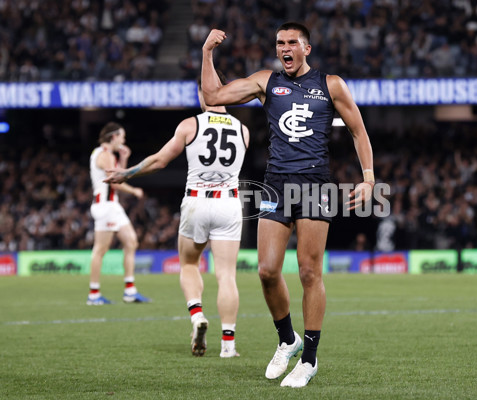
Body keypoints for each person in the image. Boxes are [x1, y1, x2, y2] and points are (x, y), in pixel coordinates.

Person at [201, 22, 375, 387]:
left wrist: (370, 177)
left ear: (306, 48)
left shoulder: (331, 84)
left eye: (292, 42)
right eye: (280, 43)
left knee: (310, 273)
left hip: (314, 185)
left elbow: (358, 130)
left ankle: (309, 359)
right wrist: (207, 53)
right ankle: (287, 339)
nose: (285, 48)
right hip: (276, 184)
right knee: (266, 270)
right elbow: (213, 97)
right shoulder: (267, 81)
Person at [104, 73, 249, 359]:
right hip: (230, 204)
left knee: (188, 264)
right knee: (227, 275)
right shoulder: (243, 130)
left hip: (197, 201)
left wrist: (127, 173)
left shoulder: (190, 124)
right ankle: (228, 345)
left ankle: (197, 316)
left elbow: (159, 160)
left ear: (202, 93)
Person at [88, 122, 150, 305]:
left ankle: (130, 291)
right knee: (100, 250)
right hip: (106, 206)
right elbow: (115, 182)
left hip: (111, 206)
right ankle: (93, 294)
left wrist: (123, 159)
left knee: (131, 241)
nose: (123, 140)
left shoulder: (102, 154)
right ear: (113, 137)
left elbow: (118, 174)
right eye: (121, 137)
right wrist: (134, 191)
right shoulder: (105, 155)